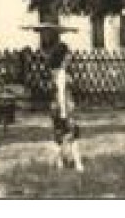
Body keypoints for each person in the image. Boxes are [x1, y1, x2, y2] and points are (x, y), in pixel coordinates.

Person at [46, 39, 85, 171]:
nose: (70, 56)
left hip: (55, 108)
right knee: (73, 135)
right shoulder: (62, 74)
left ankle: (59, 164)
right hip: (63, 108)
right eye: (68, 54)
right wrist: (64, 112)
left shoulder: (54, 72)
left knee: (59, 136)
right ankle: (78, 164)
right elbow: (62, 93)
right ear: (63, 56)